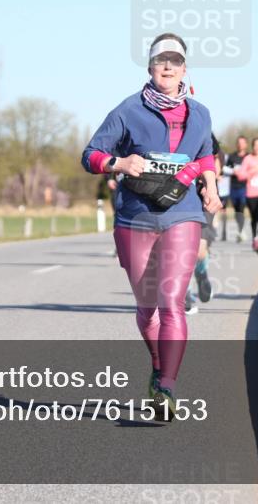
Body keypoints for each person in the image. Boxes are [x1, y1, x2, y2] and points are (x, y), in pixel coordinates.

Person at [81, 33, 221, 418]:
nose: (168, 67)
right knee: (147, 310)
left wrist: (210, 187)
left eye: (175, 62)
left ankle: (167, 388)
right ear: (150, 67)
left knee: (172, 302)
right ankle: (159, 367)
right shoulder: (128, 111)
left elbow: (206, 155)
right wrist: (120, 164)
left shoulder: (201, 113)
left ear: (184, 70)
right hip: (135, 216)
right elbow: (90, 154)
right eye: (162, 61)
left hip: (183, 213)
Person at [187, 134, 222, 314]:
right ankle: (183, 293)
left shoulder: (199, 127)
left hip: (202, 196)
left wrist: (209, 182)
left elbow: (214, 153)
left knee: (200, 252)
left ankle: (201, 275)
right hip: (172, 199)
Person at [222, 137, 249, 242]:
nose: (240, 145)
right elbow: (225, 169)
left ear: (246, 145)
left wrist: (244, 173)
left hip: (245, 187)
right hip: (233, 187)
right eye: (239, 143)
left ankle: (241, 231)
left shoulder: (249, 157)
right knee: (236, 210)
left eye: (242, 143)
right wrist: (233, 171)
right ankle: (240, 229)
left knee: (242, 207)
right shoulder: (232, 157)